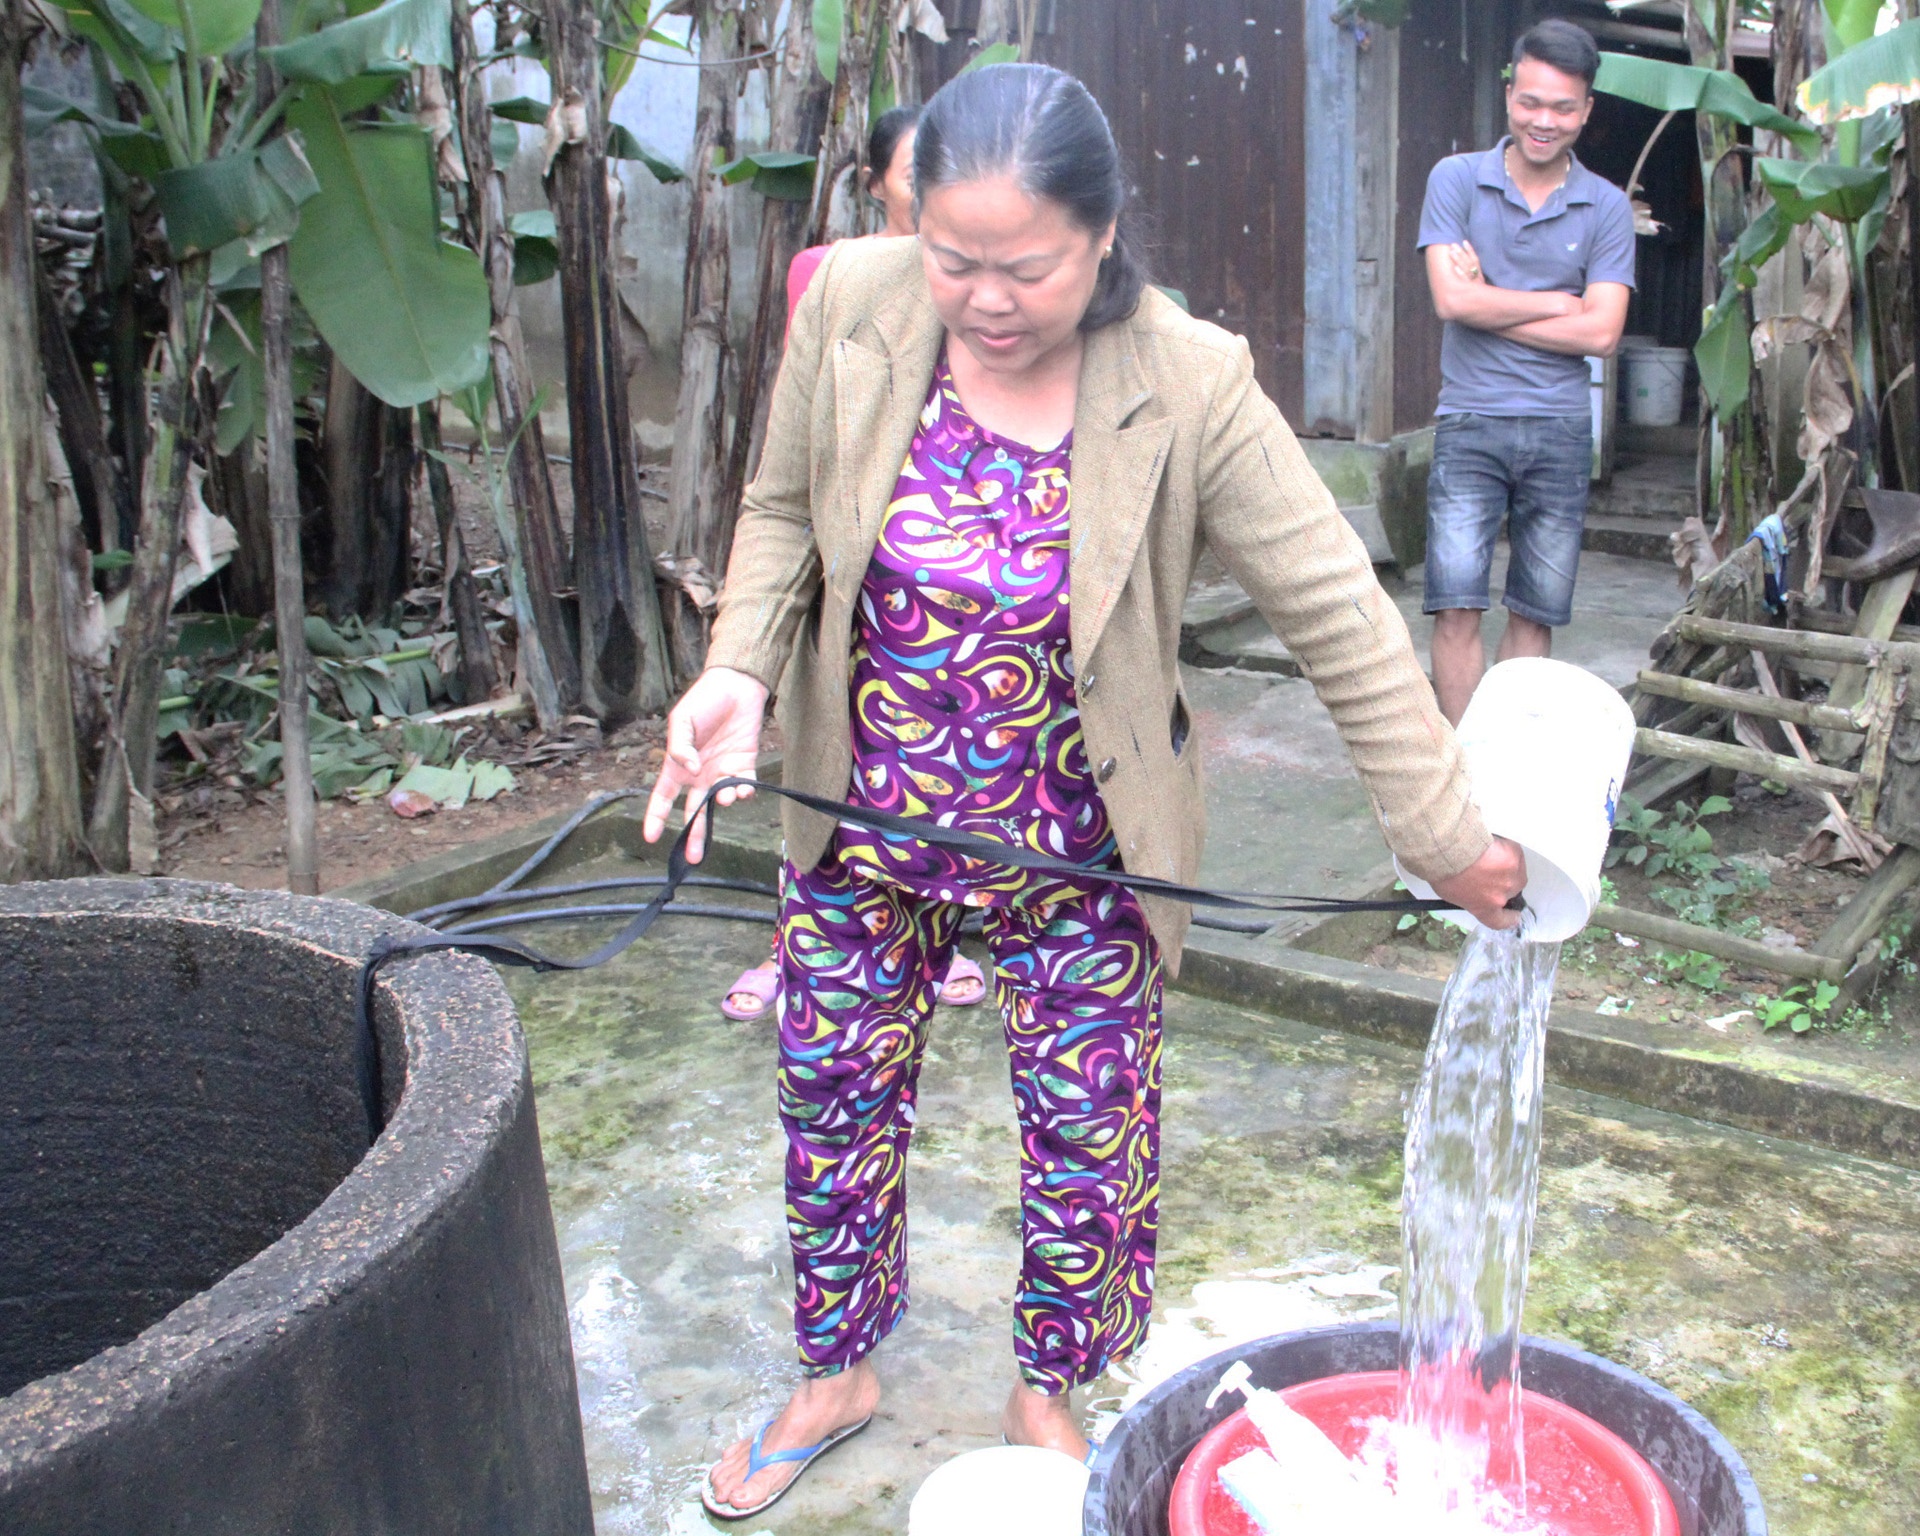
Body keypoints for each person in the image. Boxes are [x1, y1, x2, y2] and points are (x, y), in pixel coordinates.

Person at [645, 63, 1525, 1521]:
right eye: (954, 259)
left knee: (1087, 1146)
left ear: (1104, 233)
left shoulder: (1190, 384)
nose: (983, 297)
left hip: (1086, 847)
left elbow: (1345, 624)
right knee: (831, 1100)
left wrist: (1451, 842)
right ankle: (838, 1370)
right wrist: (738, 668)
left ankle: (1050, 1389)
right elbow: (784, 504)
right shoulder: (853, 305)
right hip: (866, 821)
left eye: (1026, 267)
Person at [722, 102, 991, 1021]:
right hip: (858, 576)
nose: (935, 192)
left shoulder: (1010, 310)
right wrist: (743, 662)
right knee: (826, 794)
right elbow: (800, 470)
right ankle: (792, 951)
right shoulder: (832, 278)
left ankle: (948, 936)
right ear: (878, 180)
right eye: (918, 174)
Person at [1417, 17, 1635, 725]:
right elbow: (1451, 299)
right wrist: (1553, 304)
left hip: (1560, 427)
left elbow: (1602, 332)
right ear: (1510, 93)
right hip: (1469, 419)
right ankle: (1461, 781)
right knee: (1454, 603)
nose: (1545, 121)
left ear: (1587, 110)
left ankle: (1504, 769)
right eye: (1531, 101)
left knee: (1534, 611)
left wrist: (1491, 301)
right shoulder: (1455, 179)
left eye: (1563, 107)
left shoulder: (1604, 207)